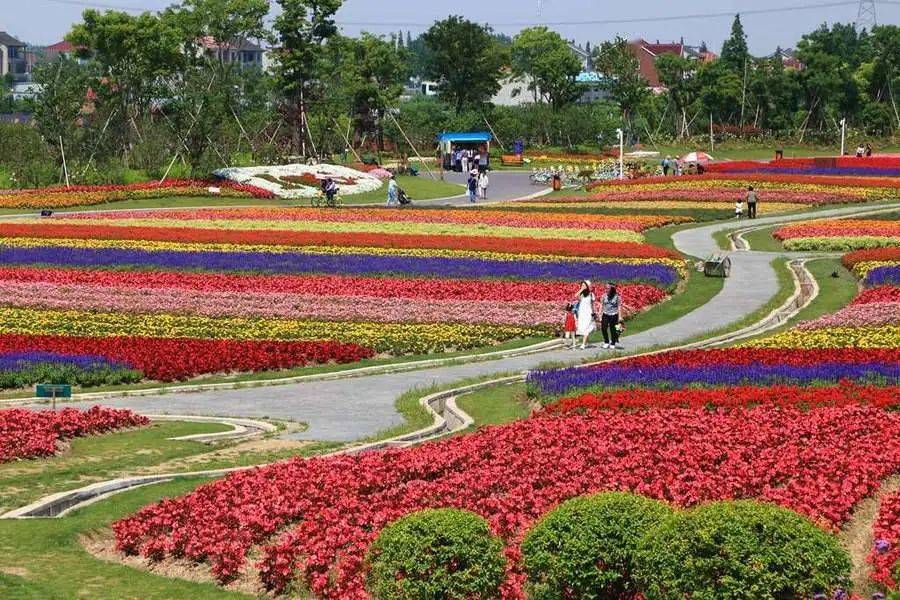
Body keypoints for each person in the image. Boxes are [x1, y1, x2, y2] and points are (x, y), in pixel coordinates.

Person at [573, 280, 597, 350]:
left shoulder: (591, 294)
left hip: (588, 313)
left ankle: (583, 344)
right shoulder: (582, 294)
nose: (582, 286)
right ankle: (586, 342)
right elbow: (575, 296)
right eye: (582, 285)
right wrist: (581, 289)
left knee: (586, 328)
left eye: (584, 285)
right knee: (582, 327)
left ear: (587, 286)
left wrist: (593, 313)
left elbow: (592, 305)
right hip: (581, 313)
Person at [600, 283, 623, 350]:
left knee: (613, 329)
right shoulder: (604, 296)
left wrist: (620, 316)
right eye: (605, 288)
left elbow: (619, 306)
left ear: (612, 289)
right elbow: (601, 305)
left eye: (608, 288)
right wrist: (599, 314)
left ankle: (613, 343)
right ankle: (606, 342)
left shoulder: (617, 297)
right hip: (605, 314)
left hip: (614, 314)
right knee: (603, 328)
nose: (606, 290)